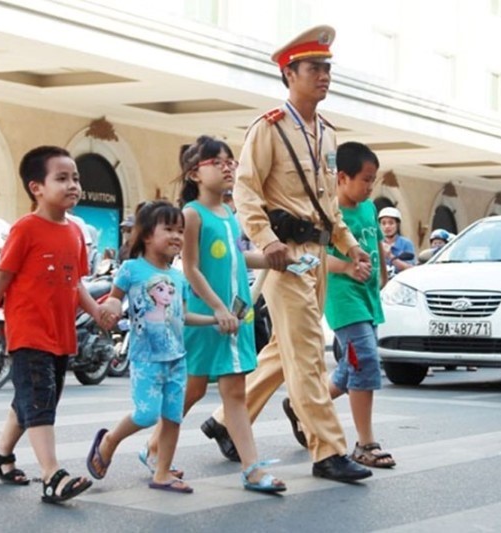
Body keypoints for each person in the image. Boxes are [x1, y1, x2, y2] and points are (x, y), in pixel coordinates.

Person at [200, 25, 373, 483]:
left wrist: (351, 247)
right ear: (289, 73)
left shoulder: (327, 135)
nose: (324, 76)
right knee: (310, 354)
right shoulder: (269, 129)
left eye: (327, 68)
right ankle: (328, 451)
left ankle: (222, 421)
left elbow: (329, 206)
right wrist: (265, 239)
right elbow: (247, 189)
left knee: (285, 350)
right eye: (314, 68)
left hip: (316, 253)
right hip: (285, 255)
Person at [140, 136, 284, 492]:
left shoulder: (230, 214)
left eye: (230, 161)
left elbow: (236, 259)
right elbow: (190, 268)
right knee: (192, 389)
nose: (227, 166)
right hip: (207, 318)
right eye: (216, 161)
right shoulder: (191, 214)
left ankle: (251, 468)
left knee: (234, 391)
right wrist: (218, 308)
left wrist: (278, 260)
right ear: (194, 173)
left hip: (234, 317)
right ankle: (151, 446)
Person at [0, 146, 113, 504]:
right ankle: (52, 475)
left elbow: (76, 283)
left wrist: (96, 312)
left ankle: (0, 452)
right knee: (40, 401)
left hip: (61, 332)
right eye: (62, 178)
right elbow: (2, 278)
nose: (73, 185)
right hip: (29, 331)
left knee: (34, 398)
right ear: (37, 187)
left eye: (76, 178)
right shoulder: (26, 229)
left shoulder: (74, 232)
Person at [86, 201, 217, 494]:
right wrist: (110, 307)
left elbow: (182, 317)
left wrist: (214, 319)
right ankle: (110, 441)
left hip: (176, 358)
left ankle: (162, 473)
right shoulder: (132, 269)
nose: (177, 236)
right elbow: (115, 298)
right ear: (146, 236)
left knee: (173, 416)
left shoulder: (180, 278)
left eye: (180, 231)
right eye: (169, 229)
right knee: (146, 414)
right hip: (146, 357)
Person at [284, 141, 396, 468]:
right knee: (364, 360)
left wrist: (383, 277)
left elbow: (375, 243)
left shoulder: (369, 208)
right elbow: (312, 257)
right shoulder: (327, 212)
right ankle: (365, 444)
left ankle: (300, 405)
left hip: (367, 296)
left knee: (350, 369)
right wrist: (346, 267)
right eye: (366, 179)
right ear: (343, 177)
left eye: (373, 180)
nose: (370, 186)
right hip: (341, 296)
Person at [378, 206, 415, 274]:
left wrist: (390, 256)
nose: (387, 226)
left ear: (397, 225)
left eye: (391, 223)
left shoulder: (406, 243)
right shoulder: (377, 244)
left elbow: (411, 269)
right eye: (383, 223)